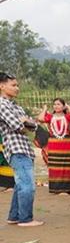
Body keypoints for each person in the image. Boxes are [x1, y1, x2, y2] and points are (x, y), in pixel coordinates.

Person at [0, 72, 42, 226]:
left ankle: (14, 216)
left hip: (24, 148)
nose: (17, 88)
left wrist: (26, 122)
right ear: (2, 86)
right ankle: (25, 219)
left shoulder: (15, 106)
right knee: (27, 185)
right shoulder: (2, 104)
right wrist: (24, 122)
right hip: (16, 149)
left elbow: (33, 126)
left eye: (17, 85)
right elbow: (17, 125)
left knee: (20, 185)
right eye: (13, 85)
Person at [37, 98, 70, 194]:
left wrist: (67, 105)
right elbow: (40, 119)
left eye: (58, 104)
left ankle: (68, 189)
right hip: (54, 144)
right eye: (54, 104)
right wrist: (45, 109)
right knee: (55, 165)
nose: (56, 106)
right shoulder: (50, 117)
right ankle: (56, 189)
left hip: (66, 144)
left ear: (63, 106)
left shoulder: (67, 117)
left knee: (66, 165)